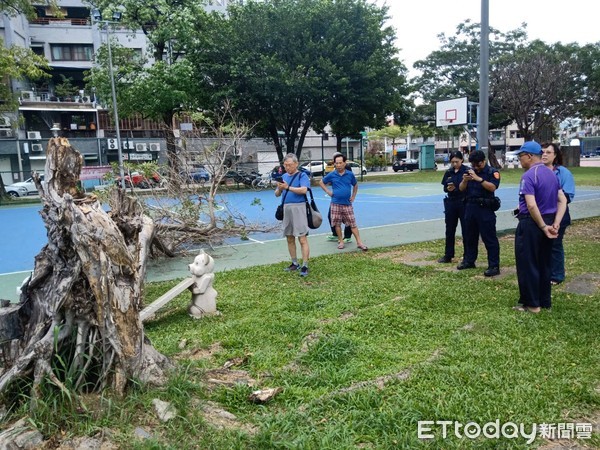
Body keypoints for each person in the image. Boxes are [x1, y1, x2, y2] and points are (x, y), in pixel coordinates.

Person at [513, 141, 567, 313]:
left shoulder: (529, 176)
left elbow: (531, 205)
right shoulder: (551, 174)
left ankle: (532, 304)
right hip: (549, 220)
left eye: (520, 156)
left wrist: (543, 226)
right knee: (544, 262)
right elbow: (562, 200)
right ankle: (544, 302)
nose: (519, 160)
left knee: (528, 263)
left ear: (529, 156)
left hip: (532, 223)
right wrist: (556, 222)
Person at [457, 150, 501, 276]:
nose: (476, 167)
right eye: (473, 165)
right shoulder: (469, 172)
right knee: (470, 236)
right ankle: (469, 261)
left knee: (489, 238)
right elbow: (461, 188)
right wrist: (465, 180)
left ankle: (494, 265)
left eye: (478, 164)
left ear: (484, 161)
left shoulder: (492, 172)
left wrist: (478, 179)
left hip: (485, 208)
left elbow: (493, 187)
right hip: (470, 207)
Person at [541, 142, 575, 285]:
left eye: (548, 152)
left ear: (555, 156)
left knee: (555, 244)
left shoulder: (563, 172)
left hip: (558, 215)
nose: (544, 154)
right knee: (542, 245)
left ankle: (557, 275)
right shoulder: (537, 171)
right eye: (542, 152)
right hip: (542, 214)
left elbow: (567, 197)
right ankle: (543, 272)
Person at [319, 153, 368, 251]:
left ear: (344, 163)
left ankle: (359, 242)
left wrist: (353, 196)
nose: (338, 165)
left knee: (352, 223)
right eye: (336, 163)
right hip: (335, 203)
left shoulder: (349, 174)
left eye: (340, 163)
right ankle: (341, 241)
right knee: (337, 224)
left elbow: (355, 185)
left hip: (347, 204)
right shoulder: (332, 174)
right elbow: (321, 182)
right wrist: (328, 191)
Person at [275, 153, 311, 277]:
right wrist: (280, 188)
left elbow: (304, 190)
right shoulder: (283, 176)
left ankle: (305, 265)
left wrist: (288, 187)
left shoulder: (302, 175)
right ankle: (294, 263)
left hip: (299, 208)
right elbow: (277, 194)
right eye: (285, 165)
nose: (287, 167)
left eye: (289, 165)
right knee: (289, 237)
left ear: (296, 164)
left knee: (302, 238)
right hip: (286, 208)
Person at [438, 150, 468, 263]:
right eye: (452, 162)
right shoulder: (449, 172)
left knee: (466, 230)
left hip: (463, 202)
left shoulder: (466, 171)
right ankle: (448, 255)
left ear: (461, 160)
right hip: (451, 202)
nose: (454, 164)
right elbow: (444, 187)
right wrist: (448, 188)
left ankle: (467, 256)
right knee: (449, 229)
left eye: (457, 161)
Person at [326, 153, 352, 243]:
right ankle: (336, 234)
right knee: (331, 216)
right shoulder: (335, 169)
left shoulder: (347, 168)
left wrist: (352, 196)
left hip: (344, 199)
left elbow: (349, 180)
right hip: (336, 198)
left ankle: (347, 236)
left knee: (348, 219)